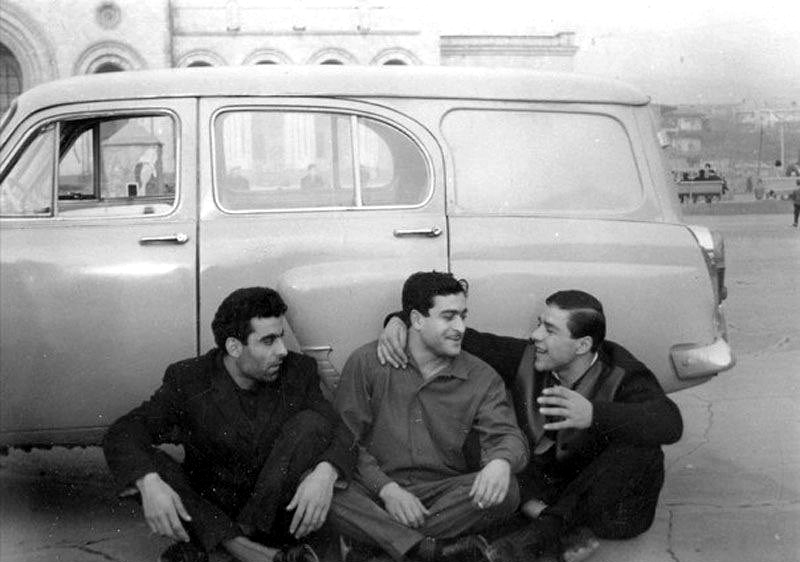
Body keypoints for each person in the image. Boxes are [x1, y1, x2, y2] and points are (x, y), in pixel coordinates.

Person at [377, 290, 683, 560]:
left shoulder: (621, 370)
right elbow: (470, 340)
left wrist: (593, 414)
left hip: (606, 505)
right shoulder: (527, 356)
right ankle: (554, 532)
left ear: (582, 345)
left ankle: (542, 534)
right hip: (543, 492)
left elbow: (670, 422)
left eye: (549, 330)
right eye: (539, 323)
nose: (535, 335)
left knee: (641, 447)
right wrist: (398, 321)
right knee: (486, 442)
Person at [103, 287, 356, 562]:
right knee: (151, 466)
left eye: (281, 337)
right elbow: (123, 431)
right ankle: (259, 555)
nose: (283, 350)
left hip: (274, 513)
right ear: (234, 347)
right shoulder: (189, 379)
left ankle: (223, 546)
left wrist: (326, 473)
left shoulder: (298, 371)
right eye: (268, 341)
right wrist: (148, 482)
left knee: (312, 423)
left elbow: (340, 429)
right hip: (211, 507)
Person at [329, 271, 529, 562]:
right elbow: (345, 439)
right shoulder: (367, 362)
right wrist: (387, 489)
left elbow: (508, 436)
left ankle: (386, 542)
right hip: (376, 489)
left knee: (507, 489)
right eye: (448, 317)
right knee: (321, 487)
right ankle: (426, 550)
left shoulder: (482, 376)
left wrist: (501, 461)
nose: (460, 327)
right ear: (417, 319)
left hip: (442, 496)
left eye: (463, 316)